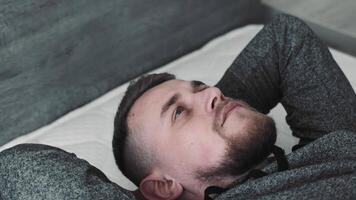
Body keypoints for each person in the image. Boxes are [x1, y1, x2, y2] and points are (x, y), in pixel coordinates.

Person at [113, 14, 356, 200]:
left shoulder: (329, 147)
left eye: (201, 87)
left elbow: (286, 38)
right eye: (178, 112)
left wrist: (229, 117)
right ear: (163, 186)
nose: (214, 91)